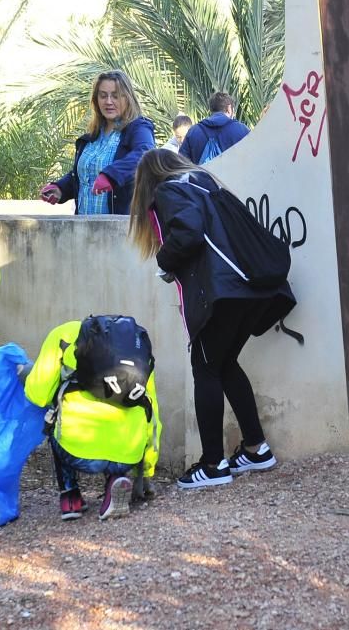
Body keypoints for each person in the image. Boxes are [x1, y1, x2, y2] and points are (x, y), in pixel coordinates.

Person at [129, 149, 295, 488]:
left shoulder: (168, 191)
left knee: (205, 368)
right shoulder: (202, 182)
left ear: (147, 180)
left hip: (223, 294)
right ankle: (256, 448)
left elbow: (189, 231)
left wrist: (165, 260)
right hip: (253, 290)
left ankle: (213, 464)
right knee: (225, 364)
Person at [22, 316, 163, 520]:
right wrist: (147, 471)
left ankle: (71, 498)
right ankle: (116, 479)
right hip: (128, 455)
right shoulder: (137, 349)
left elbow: (38, 394)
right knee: (124, 411)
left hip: (78, 452)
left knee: (54, 413)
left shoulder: (64, 335)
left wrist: (27, 374)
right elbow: (153, 415)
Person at [40, 70, 155, 214]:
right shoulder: (91, 137)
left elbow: (146, 155)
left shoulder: (138, 128)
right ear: (96, 100)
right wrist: (59, 188)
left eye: (115, 96)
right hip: (83, 229)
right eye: (103, 96)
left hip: (120, 231)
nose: (108, 101)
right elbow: (84, 176)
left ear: (127, 98)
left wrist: (111, 175)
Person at [179, 92, 250, 164]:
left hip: (204, 175)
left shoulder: (193, 132)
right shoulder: (241, 130)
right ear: (229, 108)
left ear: (211, 109)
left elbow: (181, 164)